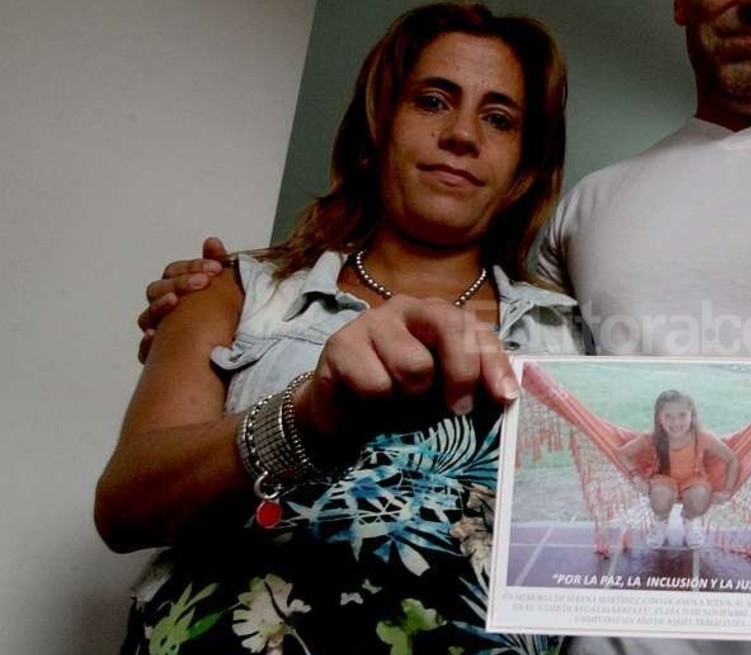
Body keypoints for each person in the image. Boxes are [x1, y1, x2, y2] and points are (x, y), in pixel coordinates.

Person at [139, 1, 751, 653]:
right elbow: (472, 325)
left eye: (499, 117)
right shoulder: (583, 216)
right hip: (616, 635)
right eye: (433, 102)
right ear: (682, 2)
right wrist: (231, 295)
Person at [95, 4, 583, 653]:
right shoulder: (236, 290)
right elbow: (125, 507)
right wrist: (305, 417)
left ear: (525, 165)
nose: (463, 134)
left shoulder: (572, 335)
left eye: (499, 118)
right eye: (433, 101)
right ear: (378, 127)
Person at [619, 390, 739, 549]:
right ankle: (661, 521)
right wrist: (636, 476)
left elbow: (732, 459)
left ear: (692, 415)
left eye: (682, 415)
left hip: (694, 480)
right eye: (668, 416)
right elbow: (622, 454)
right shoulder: (652, 438)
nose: (675, 422)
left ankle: (689, 519)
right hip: (662, 480)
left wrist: (727, 490)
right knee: (660, 496)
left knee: (700, 498)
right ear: (659, 418)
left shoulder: (702, 437)